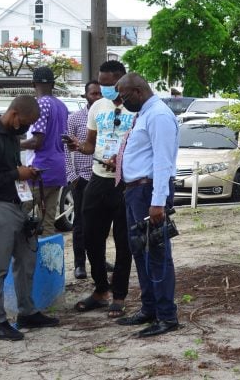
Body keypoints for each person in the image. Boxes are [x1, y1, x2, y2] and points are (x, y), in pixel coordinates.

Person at [0, 96, 60, 341]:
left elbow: (9, 172)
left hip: (16, 205)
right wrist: (15, 173)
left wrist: (26, 174)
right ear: (14, 115)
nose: (26, 128)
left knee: (25, 259)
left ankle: (27, 312)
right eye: (26, 122)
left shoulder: (11, 136)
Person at [65, 60, 135, 318]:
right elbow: (91, 144)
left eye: (108, 84)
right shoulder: (98, 106)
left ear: (122, 81)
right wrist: (77, 146)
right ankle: (100, 289)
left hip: (125, 182)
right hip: (98, 178)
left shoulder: (135, 108)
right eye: (101, 83)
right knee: (91, 236)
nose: (103, 88)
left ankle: (119, 295)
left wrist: (123, 160)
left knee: (123, 240)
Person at [115, 73, 180, 337]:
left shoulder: (159, 115)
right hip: (135, 191)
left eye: (124, 96)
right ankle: (149, 308)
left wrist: (158, 202)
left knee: (157, 254)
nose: (122, 101)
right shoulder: (143, 113)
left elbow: (163, 162)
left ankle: (167, 316)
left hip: (149, 192)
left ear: (138, 91)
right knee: (141, 252)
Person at [19, 66, 68, 236]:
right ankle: (48, 260)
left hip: (39, 170)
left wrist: (15, 144)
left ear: (33, 84)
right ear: (53, 84)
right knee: (48, 223)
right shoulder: (61, 106)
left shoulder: (40, 104)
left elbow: (37, 141)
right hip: (58, 169)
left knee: (17, 214)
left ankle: (20, 258)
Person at [65, 80, 102, 279]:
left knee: (100, 223)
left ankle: (100, 260)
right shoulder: (75, 119)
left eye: (99, 94)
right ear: (86, 96)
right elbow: (66, 148)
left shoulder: (107, 117)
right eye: (93, 94)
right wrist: (73, 177)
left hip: (103, 176)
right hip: (83, 178)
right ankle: (80, 264)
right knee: (80, 223)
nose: (96, 97)